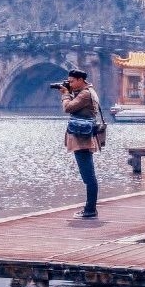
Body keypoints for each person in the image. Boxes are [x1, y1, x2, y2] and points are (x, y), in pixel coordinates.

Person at [58, 68, 106, 220]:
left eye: (72, 81)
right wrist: (70, 93)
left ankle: (90, 209)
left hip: (83, 140)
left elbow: (68, 108)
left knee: (88, 176)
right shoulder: (88, 91)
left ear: (80, 80)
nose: (70, 84)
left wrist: (65, 94)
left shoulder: (85, 94)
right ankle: (89, 208)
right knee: (88, 175)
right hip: (83, 137)